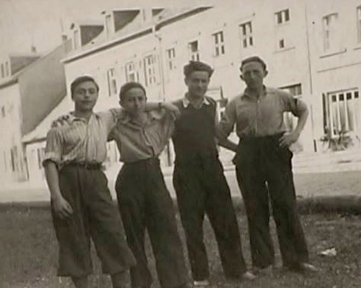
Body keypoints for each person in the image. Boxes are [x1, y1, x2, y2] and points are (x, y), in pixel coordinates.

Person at [217, 56, 318, 274]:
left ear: (265, 72)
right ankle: (263, 263)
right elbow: (220, 134)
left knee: (285, 204)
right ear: (241, 76)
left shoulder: (279, 96)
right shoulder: (235, 103)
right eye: (247, 73)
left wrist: (295, 134)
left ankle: (296, 260)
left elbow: (303, 109)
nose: (252, 76)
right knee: (255, 208)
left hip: (276, 149)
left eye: (256, 71)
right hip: (249, 153)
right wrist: (240, 150)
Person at [43, 76, 136, 288]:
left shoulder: (106, 118)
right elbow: (50, 163)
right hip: (69, 179)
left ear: (97, 95)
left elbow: (133, 104)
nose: (86, 96)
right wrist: (57, 197)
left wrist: (161, 104)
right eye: (82, 91)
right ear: (73, 95)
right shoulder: (59, 127)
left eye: (91, 91)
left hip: (95, 179)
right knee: (74, 237)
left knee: (112, 233)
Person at [171, 61, 255, 287]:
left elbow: (216, 135)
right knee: (193, 224)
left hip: (212, 168)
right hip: (187, 172)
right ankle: (200, 275)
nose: (200, 85)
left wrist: (239, 148)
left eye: (204, 81)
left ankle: (236, 269)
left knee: (225, 219)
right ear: (186, 81)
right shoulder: (175, 108)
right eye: (195, 81)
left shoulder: (210, 105)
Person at [110, 82, 189, 288]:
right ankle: (140, 282)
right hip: (129, 177)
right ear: (122, 103)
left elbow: (175, 109)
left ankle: (174, 281)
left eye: (140, 99)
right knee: (134, 235)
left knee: (166, 229)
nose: (136, 104)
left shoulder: (160, 119)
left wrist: (160, 104)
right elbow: (101, 117)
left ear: (146, 100)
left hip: (154, 174)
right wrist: (155, 103)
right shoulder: (117, 124)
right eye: (130, 100)